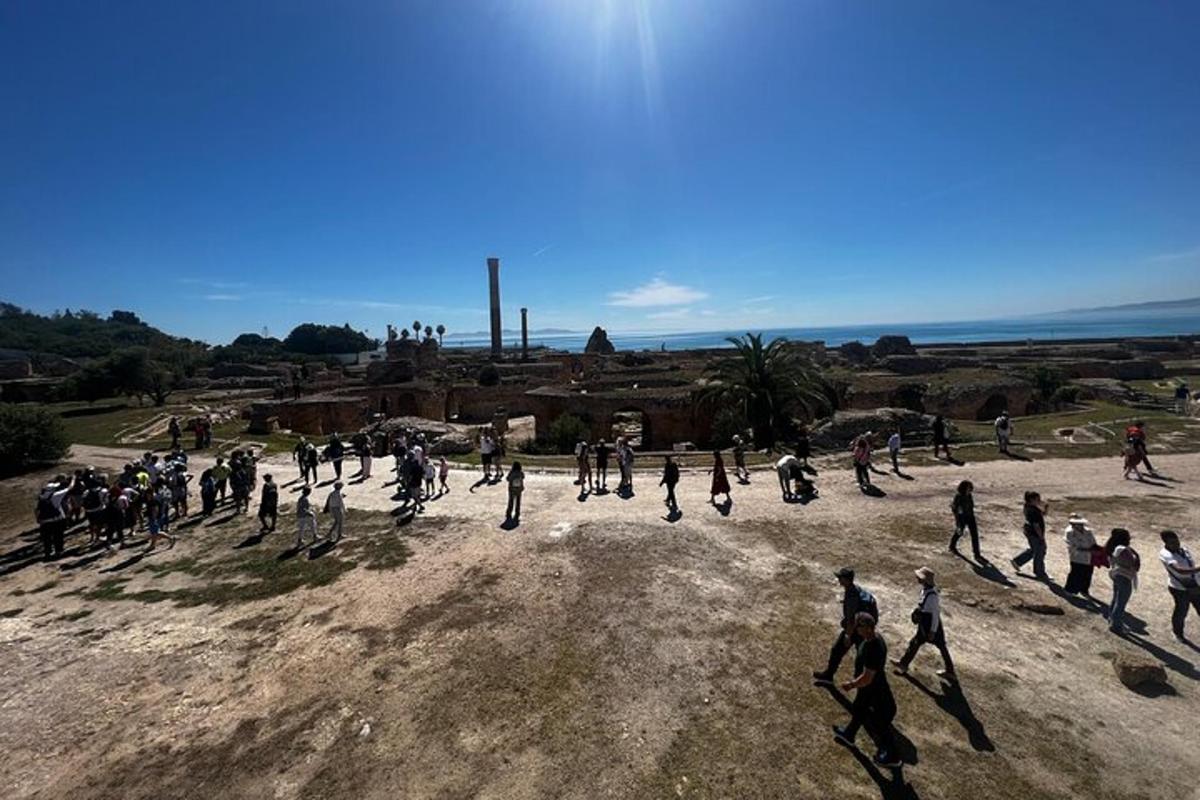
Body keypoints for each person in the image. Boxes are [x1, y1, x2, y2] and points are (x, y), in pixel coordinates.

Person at [832, 612, 902, 769]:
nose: (856, 628)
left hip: (875, 691)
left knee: (879, 724)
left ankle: (893, 757)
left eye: (858, 626)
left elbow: (867, 677)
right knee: (858, 708)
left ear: (867, 628)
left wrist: (851, 684)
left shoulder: (874, 647)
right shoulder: (869, 638)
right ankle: (849, 734)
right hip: (868, 689)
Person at [813, 568, 880, 684]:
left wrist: (848, 636)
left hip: (856, 630)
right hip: (862, 629)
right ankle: (864, 681)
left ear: (846, 579)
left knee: (838, 650)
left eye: (840, 578)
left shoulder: (852, 596)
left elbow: (851, 620)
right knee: (861, 656)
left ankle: (831, 676)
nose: (838, 579)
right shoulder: (855, 589)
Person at [892, 567, 955, 680]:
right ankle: (904, 663)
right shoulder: (925, 591)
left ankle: (950, 671)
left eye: (920, 578)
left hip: (931, 626)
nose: (917, 579)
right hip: (925, 624)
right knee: (915, 643)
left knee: (941, 647)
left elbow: (935, 615)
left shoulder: (932, 597)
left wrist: (932, 631)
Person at [1159, 530, 1200, 642]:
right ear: (1166, 543)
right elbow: (1179, 570)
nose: (1176, 544)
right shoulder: (1165, 554)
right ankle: (1178, 633)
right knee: (1181, 611)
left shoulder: (1183, 550)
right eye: (1172, 543)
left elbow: (1189, 565)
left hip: (1194, 585)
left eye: (1177, 541)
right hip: (1179, 588)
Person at [1104, 528, 1140, 634]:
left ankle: (1112, 619)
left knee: (1116, 599)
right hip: (1124, 576)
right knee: (1121, 603)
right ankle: (1116, 626)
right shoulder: (1123, 549)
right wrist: (1136, 556)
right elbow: (1132, 564)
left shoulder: (1113, 547)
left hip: (1117, 575)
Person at [1012, 491, 1049, 578]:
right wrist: (1041, 537)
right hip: (1034, 534)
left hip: (1030, 532)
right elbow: (1036, 525)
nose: (1039, 500)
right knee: (1040, 551)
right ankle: (1039, 572)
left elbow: (1043, 514)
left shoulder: (1030, 507)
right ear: (1032, 500)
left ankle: (1018, 561)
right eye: (1037, 499)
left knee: (1034, 550)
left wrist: (1046, 508)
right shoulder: (1033, 510)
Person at [1063, 513, 1101, 597]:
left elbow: (1093, 542)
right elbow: (1073, 546)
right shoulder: (1069, 532)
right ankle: (1069, 590)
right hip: (1077, 557)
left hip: (1089, 557)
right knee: (1076, 574)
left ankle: (1084, 589)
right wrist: (1089, 550)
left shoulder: (1088, 531)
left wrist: (1098, 549)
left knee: (1088, 573)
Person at [35, 479, 73, 560]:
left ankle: (48, 552)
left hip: (44, 521)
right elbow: (69, 488)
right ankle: (58, 551)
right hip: (56, 520)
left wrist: (38, 519)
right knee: (58, 536)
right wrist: (73, 479)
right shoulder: (56, 495)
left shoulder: (41, 497)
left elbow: (37, 510)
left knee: (47, 538)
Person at [949, 480, 981, 560]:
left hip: (970, 517)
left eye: (970, 487)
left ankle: (977, 554)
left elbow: (971, 506)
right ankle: (952, 546)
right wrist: (958, 522)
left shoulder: (969, 495)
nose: (970, 489)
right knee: (959, 533)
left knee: (975, 535)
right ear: (964, 488)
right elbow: (955, 510)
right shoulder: (959, 497)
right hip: (962, 518)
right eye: (969, 487)